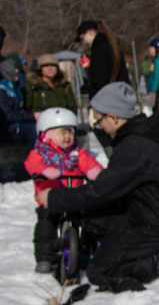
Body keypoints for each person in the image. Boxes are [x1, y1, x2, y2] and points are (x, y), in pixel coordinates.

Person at [37, 82, 159, 293]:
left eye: (98, 120)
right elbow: (110, 186)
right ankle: (128, 249)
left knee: (100, 272)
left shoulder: (134, 146)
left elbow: (100, 191)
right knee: (92, 215)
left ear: (113, 117)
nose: (98, 126)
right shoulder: (143, 135)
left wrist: (54, 198)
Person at [24, 107, 103, 273]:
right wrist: (44, 170)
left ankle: (87, 251)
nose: (68, 137)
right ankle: (45, 257)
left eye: (70, 132)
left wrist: (93, 170)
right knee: (46, 224)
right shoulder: (41, 152)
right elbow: (32, 163)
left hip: (73, 196)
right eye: (63, 133)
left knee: (88, 220)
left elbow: (88, 162)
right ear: (49, 134)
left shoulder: (76, 152)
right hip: (49, 198)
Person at [25, 54, 77, 120]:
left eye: (53, 65)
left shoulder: (64, 85)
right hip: (41, 122)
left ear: (57, 68)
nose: (50, 68)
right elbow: (27, 107)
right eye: (46, 66)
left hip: (62, 121)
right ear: (40, 69)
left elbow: (72, 108)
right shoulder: (33, 86)